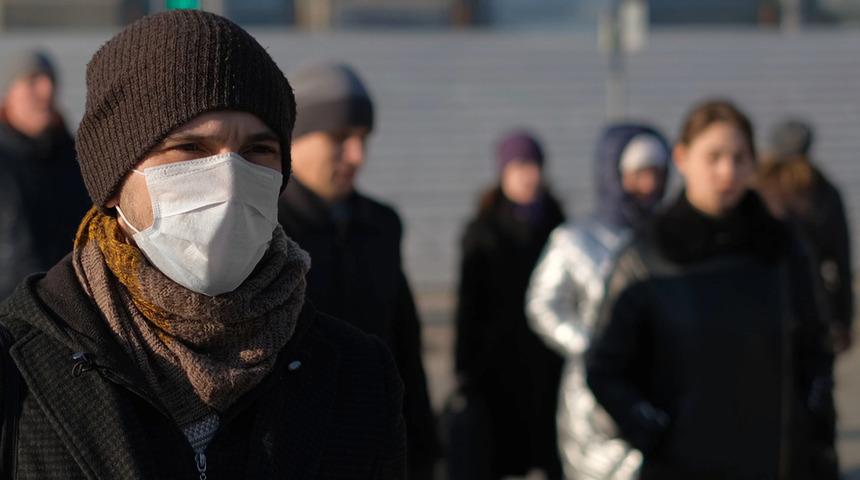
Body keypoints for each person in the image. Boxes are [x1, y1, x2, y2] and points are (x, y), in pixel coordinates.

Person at [0, 10, 405, 479]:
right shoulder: (16, 374)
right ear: (112, 182)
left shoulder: (358, 376)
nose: (229, 179)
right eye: (190, 148)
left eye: (258, 151)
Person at [587, 100, 836, 480]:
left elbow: (816, 348)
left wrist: (813, 428)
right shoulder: (648, 255)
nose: (727, 171)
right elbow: (604, 367)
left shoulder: (781, 249)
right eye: (714, 156)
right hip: (682, 466)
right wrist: (651, 428)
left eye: (739, 158)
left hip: (777, 463)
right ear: (682, 158)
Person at [277, 62, 439, 478]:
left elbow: (403, 342)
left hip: (374, 451)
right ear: (293, 138)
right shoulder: (263, 228)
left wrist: (423, 445)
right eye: (339, 138)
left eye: (364, 139)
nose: (357, 156)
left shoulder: (381, 225)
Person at [526, 123, 670, 480]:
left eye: (658, 174)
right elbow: (543, 305)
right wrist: (590, 346)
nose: (649, 185)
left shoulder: (671, 241)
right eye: (640, 174)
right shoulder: (575, 240)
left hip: (659, 389)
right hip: (593, 402)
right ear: (615, 174)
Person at [450, 130, 565, 480]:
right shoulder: (482, 231)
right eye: (518, 166)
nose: (528, 176)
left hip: (547, 365)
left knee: (548, 454)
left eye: (533, 166)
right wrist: (465, 368)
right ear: (503, 172)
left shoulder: (558, 227)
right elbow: (468, 307)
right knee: (497, 457)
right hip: (496, 367)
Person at [0, 49, 90, 299]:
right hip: (10, 315)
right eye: (32, 81)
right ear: (10, 94)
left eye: (50, 81)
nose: (46, 90)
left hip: (72, 309)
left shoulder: (75, 158)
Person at [759, 119, 853, 354]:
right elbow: (841, 261)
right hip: (814, 309)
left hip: (765, 309)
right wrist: (843, 319)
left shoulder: (758, 188)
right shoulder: (824, 191)